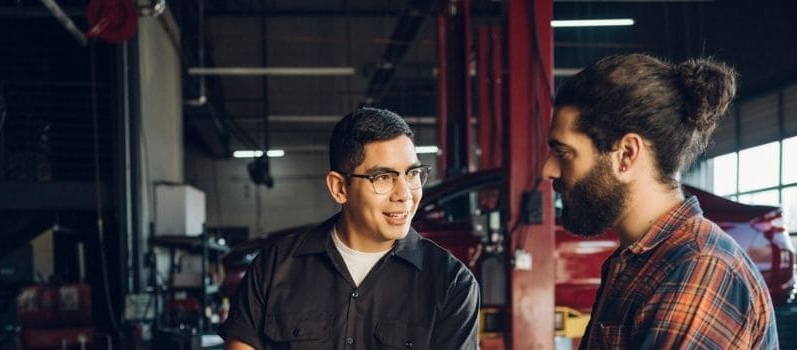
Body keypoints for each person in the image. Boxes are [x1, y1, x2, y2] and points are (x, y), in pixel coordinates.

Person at [542, 54, 778, 349]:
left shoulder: (698, 270)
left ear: (626, 155)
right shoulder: (639, 261)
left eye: (563, 153)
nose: (547, 170)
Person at [220, 107, 480, 349]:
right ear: (339, 188)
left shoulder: (451, 283)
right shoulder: (273, 268)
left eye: (412, 174)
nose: (405, 194)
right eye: (383, 177)